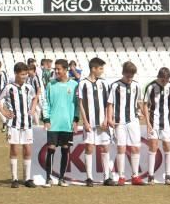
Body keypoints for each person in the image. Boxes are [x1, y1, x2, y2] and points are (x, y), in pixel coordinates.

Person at [0, 62, 39, 188]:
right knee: (14, 149)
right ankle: (14, 179)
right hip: (13, 124)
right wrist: (4, 112)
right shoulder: (9, 87)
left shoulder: (28, 87)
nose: (24, 76)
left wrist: (32, 109)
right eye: (22, 74)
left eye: (26, 74)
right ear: (16, 73)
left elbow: (35, 97)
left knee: (27, 149)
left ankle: (27, 179)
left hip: (27, 124)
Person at [41, 59, 79, 187]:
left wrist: (75, 120)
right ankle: (48, 178)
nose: (56, 71)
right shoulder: (50, 84)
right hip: (53, 124)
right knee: (51, 149)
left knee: (65, 149)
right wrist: (46, 120)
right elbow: (45, 103)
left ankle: (62, 178)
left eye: (59, 69)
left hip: (67, 125)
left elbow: (77, 105)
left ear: (65, 70)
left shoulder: (74, 85)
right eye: (55, 69)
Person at [106, 61, 143, 186]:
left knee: (136, 147)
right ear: (123, 73)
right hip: (119, 121)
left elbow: (139, 102)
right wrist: (109, 118)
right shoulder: (115, 86)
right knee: (121, 147)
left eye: (132, 76)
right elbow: (110, 103)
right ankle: (121, 176)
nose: (129, 79)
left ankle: (135, 176)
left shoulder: (137, 86)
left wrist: (141, 112)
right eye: (128, 76)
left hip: (133, 120)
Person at [77, 57, 110, 187]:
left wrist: (107, 119)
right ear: (93, 69)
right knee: (89, 147)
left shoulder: (104, 83)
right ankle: (89, 177)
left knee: (105, 147)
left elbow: (108, 103)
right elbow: (81, 104)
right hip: (89, 122)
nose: (102, 71)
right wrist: (85, 122)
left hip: (102, 123)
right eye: (100, 68)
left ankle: (107, 177)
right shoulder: (82, 83)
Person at [142, 67, 170, 185]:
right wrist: (148, 122)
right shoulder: (150, 86)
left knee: (167, 146)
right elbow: (145, 105)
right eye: (162, 80)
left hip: (166, 122)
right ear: (158, 77)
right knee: (153, 146)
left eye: (166, 80)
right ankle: (151, 176)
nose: (164, 82)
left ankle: (168, 176)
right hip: (153, 121)